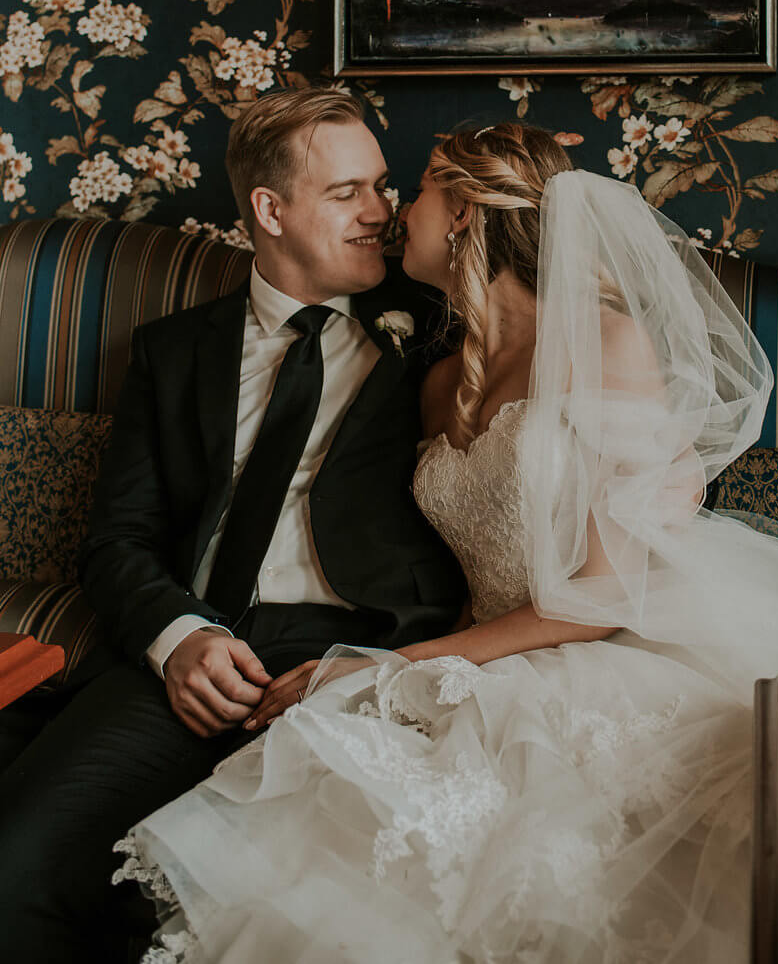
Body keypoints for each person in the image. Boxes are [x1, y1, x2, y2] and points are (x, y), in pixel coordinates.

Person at [118, 122, 778, 964]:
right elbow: (471, 569)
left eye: (416, 191)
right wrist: (417, 677)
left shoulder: (608, 342)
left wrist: (397, 668)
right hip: (500, 648)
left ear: (465, 211)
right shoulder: (438, 385)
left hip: (619, 641)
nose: (394, 215)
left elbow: (602, 595)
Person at [0, 86, 466, 962]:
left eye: (382, 186)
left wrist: (376, 671)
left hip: (361, 666)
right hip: (195, 651)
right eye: (347, 193)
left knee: (239, 909)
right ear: (270, 209)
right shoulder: (173, 351)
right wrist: (178, 638)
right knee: (16, 865)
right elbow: (118, 539)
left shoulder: (443, 328)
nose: (383, 214)